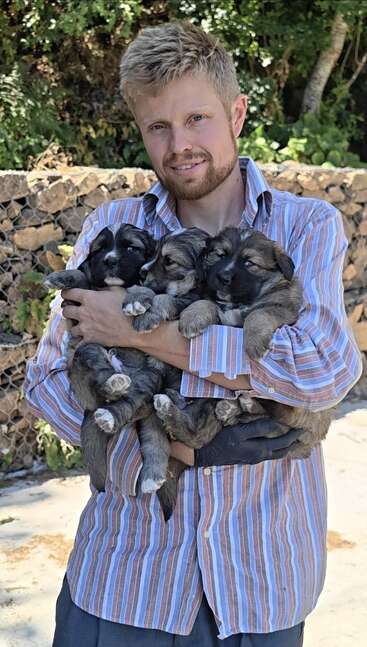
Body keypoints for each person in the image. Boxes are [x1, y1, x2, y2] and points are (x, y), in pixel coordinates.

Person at [24, 21, 362, 647]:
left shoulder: (306, 225)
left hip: (261, 584)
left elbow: (322, 370)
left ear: (236, 113)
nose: (180, 144)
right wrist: (174, 452)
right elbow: (47, 381)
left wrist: (142, 333)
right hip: (127, 582)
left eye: (197, 118)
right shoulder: (113, 224)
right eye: (159, 126)